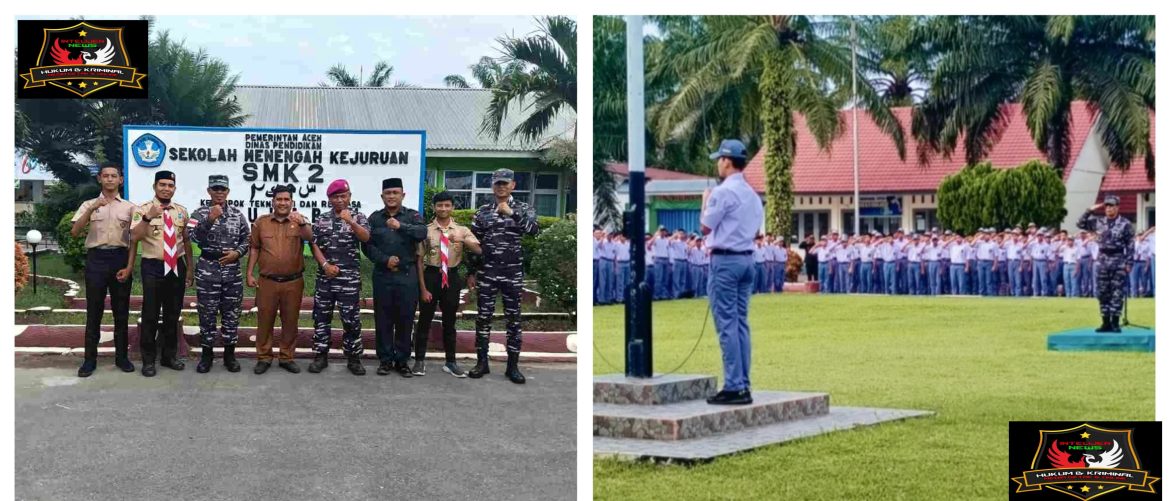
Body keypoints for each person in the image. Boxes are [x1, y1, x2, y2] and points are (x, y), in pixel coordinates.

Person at [700, 139, 763, 406]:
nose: (717, 164)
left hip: (725, 261)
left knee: (727, 324)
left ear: (727, 160)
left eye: (719, 159)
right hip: (746, 259)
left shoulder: (723, 193)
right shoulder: (752, 194)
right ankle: (743, 383)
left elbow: (705, 227)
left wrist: (705, 202)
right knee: (740, 324)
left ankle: (735, 385)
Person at [469, 168, 540, 384]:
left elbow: (534, 231)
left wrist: (511, 213)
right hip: (488, 272)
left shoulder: (523, 208)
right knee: (483, 318)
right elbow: (474, 242)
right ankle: (482, 362)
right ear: (492, 186)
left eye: (505, 183)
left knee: (513, 320)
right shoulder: (482, 211)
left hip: (512, 272)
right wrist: (471, 271)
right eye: (497, 183)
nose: (501, 186)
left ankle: (513, 366)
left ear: (513, 185)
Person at [70, 165, 136, 377]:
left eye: (113, 176)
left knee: (121, 312)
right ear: (99, 179)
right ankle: (89, 360)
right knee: (94, 312)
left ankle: (122, 358)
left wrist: (129, 266)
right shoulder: (88, 204)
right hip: (96, 260)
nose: (109, 179)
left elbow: (135, 239)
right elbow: (75, 232)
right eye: (105, 176)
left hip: (120, 259)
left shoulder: (129, 207)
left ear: (121, 180)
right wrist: (91, 209)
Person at [131, 170, 194, 377]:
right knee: (150, 313)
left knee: (172, 313)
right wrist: (149, 217)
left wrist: (190, 269)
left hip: (177, 265)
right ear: (154, 187)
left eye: (170, 185)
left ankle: (169, 356)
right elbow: (134, 236)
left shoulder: (181, 212)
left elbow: (186, 241)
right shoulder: (142, 210)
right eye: (162, 185)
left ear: (174, 188)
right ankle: (148, 360)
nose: (166, 189)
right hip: (153, 266)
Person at [362, 178, 427, 377]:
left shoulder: (412, 216)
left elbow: (422, 232)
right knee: (383, 319)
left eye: (395, 193)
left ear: (403, 195)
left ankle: (402, 361)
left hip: (407, 276)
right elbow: (366, 245)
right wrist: (384, 260)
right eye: (388, 193)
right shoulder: (374, 218)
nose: (391, 196)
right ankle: (385, 360)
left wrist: (401, 226)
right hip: (383, 275)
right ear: (382, 196)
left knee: (405, 319)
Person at [246, 184, 313, 374]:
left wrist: (302, 223)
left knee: (290, 321)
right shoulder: (261, 223)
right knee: (264, 320)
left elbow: (311, 238)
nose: (283, 203)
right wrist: (249, 273)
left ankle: (286, 357)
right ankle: (264, 357)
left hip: (293, 281)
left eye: (286, 199)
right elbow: (255, 248)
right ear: (273, 201)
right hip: (267, 281)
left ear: (292, 202)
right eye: (279, 199)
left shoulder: (300, 221)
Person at [307, 179, 371, 375]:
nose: (340, 200)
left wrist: (350, 221)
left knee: (351, 320)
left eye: (344, 196)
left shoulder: (359, 217)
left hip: (349, 279)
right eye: (336, 197)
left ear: (349, 196)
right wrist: (325, 265)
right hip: (325, 278)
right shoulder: (321, 219)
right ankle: (321, 356)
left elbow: (366, 238)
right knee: (321, 318)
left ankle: (353, 358)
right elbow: (313, 243)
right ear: (329, 199)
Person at [188, 175, 250, 373]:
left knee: (231, 315)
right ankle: (207, 355)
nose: (220, 192)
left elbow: (247, 240)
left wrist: (237, 253)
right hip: (208, 271)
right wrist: (209, 219)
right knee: (207, 315)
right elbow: (192, 236)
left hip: (232, 273)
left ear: (228, 192)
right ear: (209, 191)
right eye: (216, 189)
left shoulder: (238, 215)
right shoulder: (198, 213)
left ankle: (229, 355)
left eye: (223, 189)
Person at [415, 190, 481, 377]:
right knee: (424, 320)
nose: (443, 208)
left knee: (450, 321)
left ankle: (451, 362)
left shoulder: (462, 230)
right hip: (431, 276)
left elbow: (478, 249)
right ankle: (419, 360)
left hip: (451, 277)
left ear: (452, 207)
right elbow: (419, 259)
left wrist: (462, 240)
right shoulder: (426, 230)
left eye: (447, 205)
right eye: (439, 205)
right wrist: (423, 287)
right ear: (433, 207)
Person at [1077, 196, 1135, 332]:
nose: (1109, 209)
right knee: (1102, 292)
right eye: (1107, 206)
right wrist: (1089, 210)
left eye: (1112, 206)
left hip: (1118, 260)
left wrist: (1129, 263)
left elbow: (1130, 245)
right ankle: (1105, 322)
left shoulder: (1125, 224)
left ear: (1117, 207)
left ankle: (1115, 323)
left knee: (1117, 293)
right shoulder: (1098, 222)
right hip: (1102, 260)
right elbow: (1080, 224)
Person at [648, 226, 671, 300]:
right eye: (661, 231)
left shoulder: (666, 240)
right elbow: (649, 245)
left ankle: (663, 294)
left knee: (665, 278)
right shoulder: (656, 239)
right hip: (658, 259)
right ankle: (657, 295)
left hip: (665, 259)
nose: (663, 232)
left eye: (664, 231)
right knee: (658, 278)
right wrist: (655, 235)